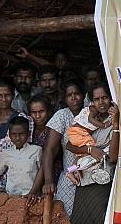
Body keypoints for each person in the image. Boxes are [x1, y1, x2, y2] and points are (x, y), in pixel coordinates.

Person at [67, 83, 120, 224]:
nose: (101, 102)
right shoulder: (87, 120)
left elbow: (114, 157)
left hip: (102, 179)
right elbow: (69, 146)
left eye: (104, 97)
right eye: (97, 99)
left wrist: (115, 124)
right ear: (92, 102)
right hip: (82, 177)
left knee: (100, 223)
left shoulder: (114, 123)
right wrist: (91, 150)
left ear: (111, 99)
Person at [34, 79, 85, 216]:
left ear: (84, 95)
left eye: (77, 94)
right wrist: (49, 180)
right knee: (62, 214)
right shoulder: (62, 115)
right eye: (69, 95)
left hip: (90, 172)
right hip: (69, 173)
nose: (73, 98)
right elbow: (49, 150)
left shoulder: (91, 113)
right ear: (64, 98)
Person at [0, 116, 41, 196]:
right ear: (9, 135)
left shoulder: (37, 150)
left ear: (28, 134)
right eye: (14, 134)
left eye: (21, 134)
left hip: (31, 195)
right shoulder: (6, 153)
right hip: (12, 196)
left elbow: (42, 172)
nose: (17, 138)